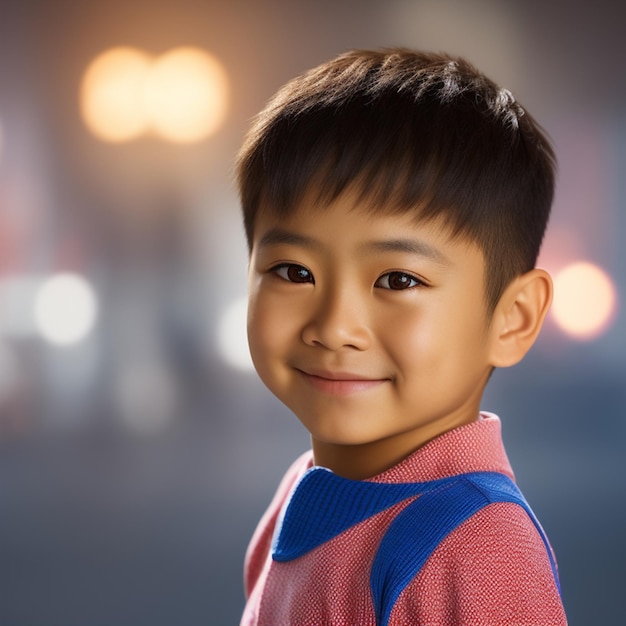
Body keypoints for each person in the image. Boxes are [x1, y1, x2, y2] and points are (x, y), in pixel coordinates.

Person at [236, 48, 567, 625]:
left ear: (511, 317)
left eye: (397, 279)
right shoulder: (302, 491)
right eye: (294, 272)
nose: (335, 327)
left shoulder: (478, 548)